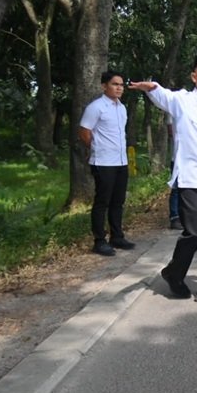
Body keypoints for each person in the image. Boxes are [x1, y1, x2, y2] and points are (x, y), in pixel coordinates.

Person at [128, 52, 197, 303]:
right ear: (194, 76)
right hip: (193, 180)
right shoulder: (182, 101)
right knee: (194, 234)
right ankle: (173, 273)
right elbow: (162, 94)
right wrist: (151, 88)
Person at [79, 71, 135, 256]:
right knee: (102, 201)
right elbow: (84, 132)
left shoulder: (122, 108)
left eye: (121, 85)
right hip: (103, 162)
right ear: (104, 86)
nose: (119, 88)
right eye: (114, 84)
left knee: (118, 201)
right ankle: (99, 240)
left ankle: (117, 236)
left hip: (121, 161)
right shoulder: (96, 107)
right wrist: (97, 147)